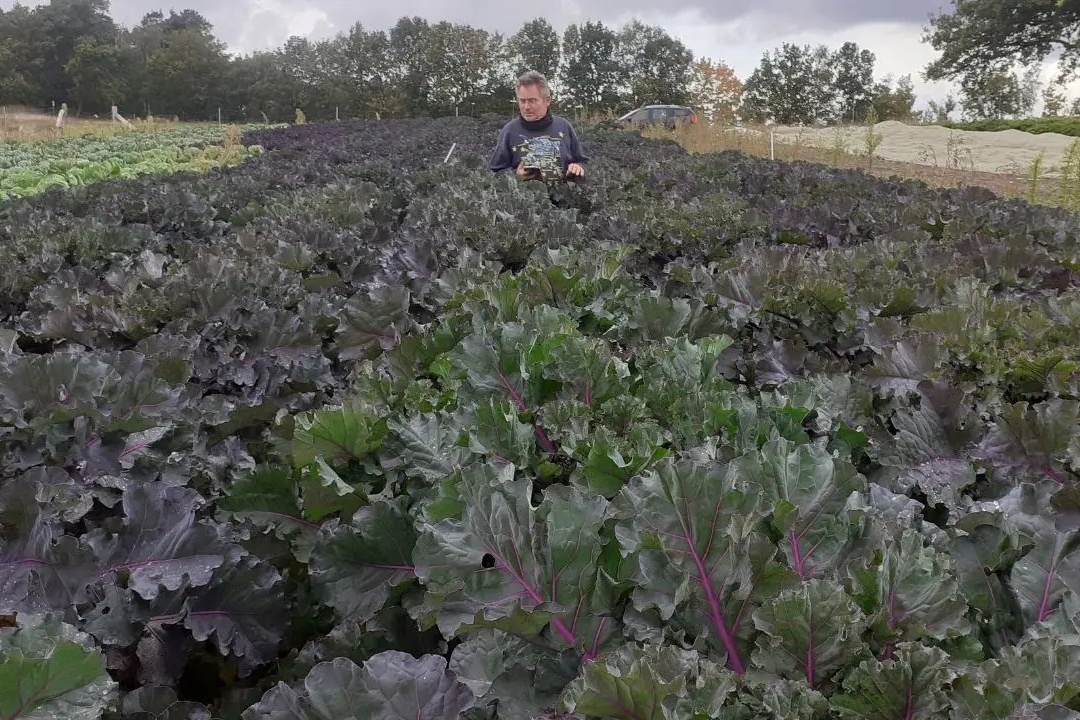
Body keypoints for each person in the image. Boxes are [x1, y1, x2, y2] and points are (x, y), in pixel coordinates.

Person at [487, 71, 587, 183]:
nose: (526, 107)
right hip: (525, 199)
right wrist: (516, 175)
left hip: (564, 197)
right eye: (522, 101)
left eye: (532, 101)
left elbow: (583, 162)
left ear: (547, 101)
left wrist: (577, 168)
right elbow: (494, 173)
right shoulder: (509, 131)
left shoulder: (564, 126)